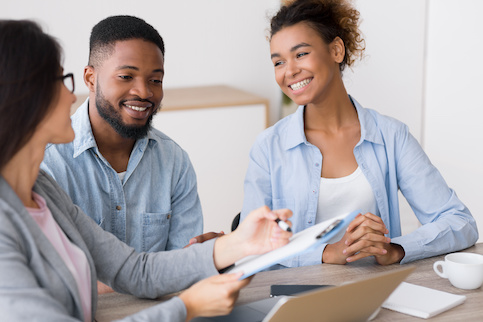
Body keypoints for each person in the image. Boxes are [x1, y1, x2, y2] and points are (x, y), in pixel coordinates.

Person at [0, 20, 292, 321]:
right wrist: (187, 306)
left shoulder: (44, 191)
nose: (69, 95)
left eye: (155, 79)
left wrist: (240, 242)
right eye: (60, 82)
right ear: (19, 98)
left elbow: (133, 269)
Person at [240, 0, 478, 268]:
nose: (289, 71)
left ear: (336, 50)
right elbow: (250, 247)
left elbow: (460, 222)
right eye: (278, 62)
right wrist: (327, 253)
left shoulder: (391, 136)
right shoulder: (269, 147)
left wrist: (396, 249)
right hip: (296, 299)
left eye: (301, 54)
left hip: (375, 295)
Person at [41, 15, 216, 255]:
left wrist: (204, 258)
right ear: (90, 79)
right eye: (126, 76)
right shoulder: (47, 162)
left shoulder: (174, 161)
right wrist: (175, 270)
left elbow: (183, 267)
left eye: (156, 80)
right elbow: (58, 277)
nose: (144, 92)